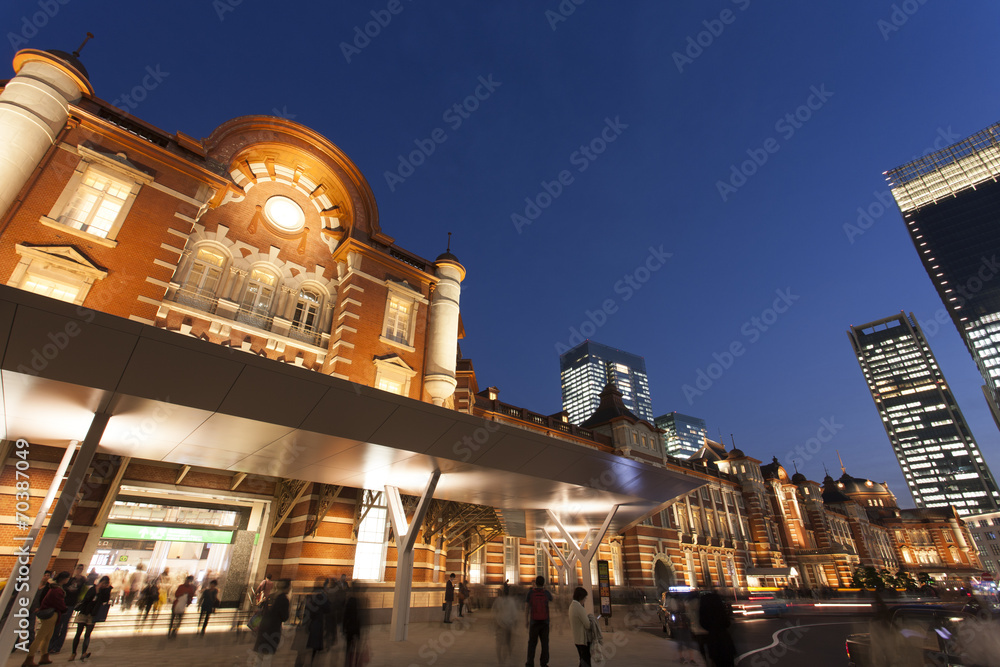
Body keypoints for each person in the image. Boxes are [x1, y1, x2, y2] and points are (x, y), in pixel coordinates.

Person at [22, 571, 70, 667]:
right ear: (64, 579)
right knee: (40, 637)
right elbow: (59, 603)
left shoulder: (53, 588)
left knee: (47, 637)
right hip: (51, 615)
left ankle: (44, 657)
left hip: (51, 614)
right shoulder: (57, 590)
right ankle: (29, 658)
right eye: (68, 578)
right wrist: (65, 609)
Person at [68, 575, 112, 661]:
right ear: (100, 582)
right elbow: (86, 598)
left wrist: (106, 589)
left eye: (106, 584)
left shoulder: (105, 591)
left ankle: (83, 653)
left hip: (93, 614)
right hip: (84, 612)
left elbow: (105, 600)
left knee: (87, 635)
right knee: (78, 633)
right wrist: (96, 592)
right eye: (103, 583)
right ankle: (73, 653)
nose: (104, 585)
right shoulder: (92, 588)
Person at [293, 579, 332, 667]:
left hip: (305, 624)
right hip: (316, 625)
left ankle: (299, 664)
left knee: (302, 650)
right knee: (313, 649)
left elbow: (299, 612)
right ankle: (309, 663)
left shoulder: (309, 595)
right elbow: (328, 609)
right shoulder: (322, 596)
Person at [49, 564, 86, 654]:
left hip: (70, 605)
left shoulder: (82, 581)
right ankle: (51, 645)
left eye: (81, 569)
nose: (79, 570)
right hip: (62, 604)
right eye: (78, 568)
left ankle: (57, 646)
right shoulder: (69, 580)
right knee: (57, 625)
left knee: (64, 626)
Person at [254, 579, 290, 667]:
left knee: (259, 655)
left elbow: (263, 612)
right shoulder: (283, 599)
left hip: (264, 627)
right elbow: (284, 617)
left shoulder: (270, 596)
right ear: (286, 587)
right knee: (267, 656)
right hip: (273, 629)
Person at [698, 589, 736, 667]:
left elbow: (703, 623)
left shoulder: (704, 612)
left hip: (713, 641)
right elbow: (727, 623)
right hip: (725, 640)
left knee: (718, 662)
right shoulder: (721, 611)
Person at [525, 575, 554, 667]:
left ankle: (530, 662)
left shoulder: (530, 593)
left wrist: (526, 620)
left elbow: (526, 607)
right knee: (545, 643)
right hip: (545, 622)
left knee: (532, 643)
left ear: (535, 583)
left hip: (534, 622)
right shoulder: (546, 593)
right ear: (543, 583)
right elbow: (553, 602)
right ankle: (544, 663)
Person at [569, 587, 596, 667]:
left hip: (577, 639)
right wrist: (593, 621)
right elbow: (587, 625)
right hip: (583, 640)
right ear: (581, 598)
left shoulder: (572, 606)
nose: (585, 600)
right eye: (585, 598)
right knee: (586, 662)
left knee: (582, 661)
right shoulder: (579, 608)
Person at [493, 588, 518, 665]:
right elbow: (514, 614)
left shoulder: (498, 600)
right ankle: (504, 658)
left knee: (499, 643)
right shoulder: (511, 601)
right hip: (508, 625)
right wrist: (515, 624)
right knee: (507, 643)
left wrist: (495, 620)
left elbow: (494, 611)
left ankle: (500, 659)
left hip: (499, 624)